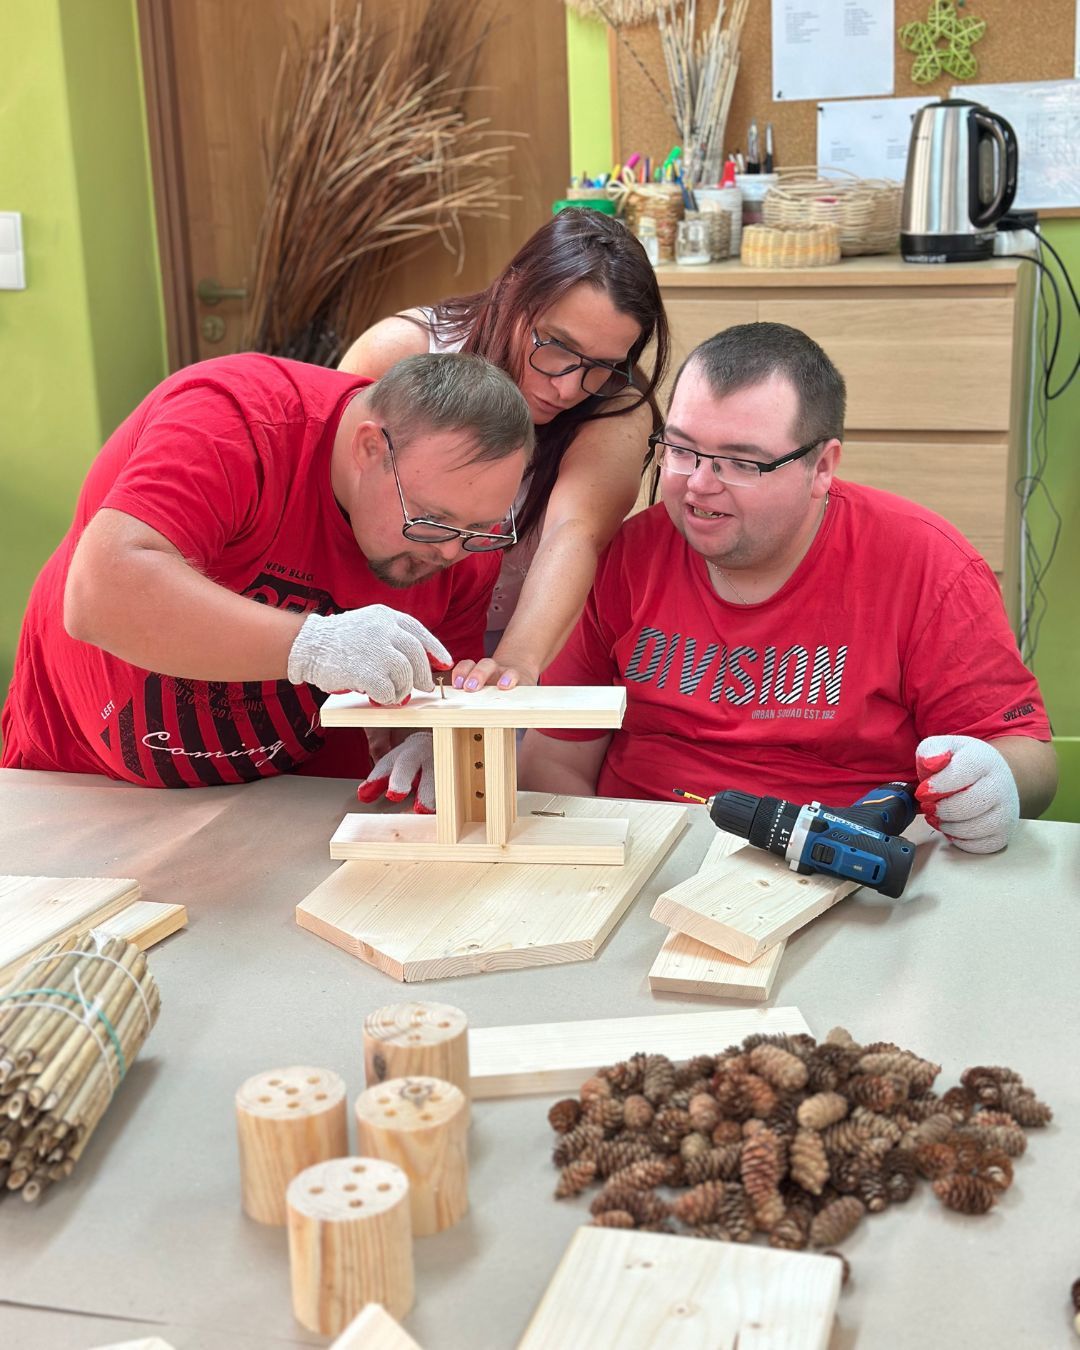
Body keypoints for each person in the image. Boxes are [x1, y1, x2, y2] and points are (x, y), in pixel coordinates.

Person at [518, 323, 1057, 854]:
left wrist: (992, 783)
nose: (699, 485)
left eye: (741, 462)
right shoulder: (623, 555)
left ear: (821, 467)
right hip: (642, 851)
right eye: (681, 450)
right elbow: (556, 757)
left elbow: (1027, 756)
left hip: (842, 864)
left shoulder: (928, 566)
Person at [1, 351, 533, 788]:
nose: (451, 552)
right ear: (370, 448)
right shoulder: (233, 422)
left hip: (292, 789)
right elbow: (101, 596)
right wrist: (314, 646)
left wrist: (442, 741)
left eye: (480, 527)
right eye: (430, 520)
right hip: (79, 778)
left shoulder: (466, 543)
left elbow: (434, 697)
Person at [338, 207, 669, 694]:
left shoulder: (614, 407)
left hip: (531, 641)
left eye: (602, 364)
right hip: (364, 623)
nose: (568, 387)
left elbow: (573, 532)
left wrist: (514, 665)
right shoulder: (402, 349)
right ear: (513, 290)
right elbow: (332, 479)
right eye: (557, 345)